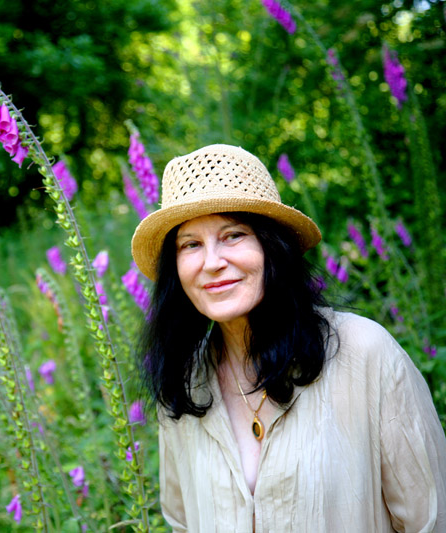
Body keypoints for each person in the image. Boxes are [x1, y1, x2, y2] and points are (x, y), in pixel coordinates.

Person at [129, 144, 446, 532]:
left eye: (233, 235)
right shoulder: (183, 384)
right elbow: (182, 522)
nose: (212, 262)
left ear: (273, 245)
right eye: (191, 244)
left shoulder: (367, 354)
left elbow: (430, 519)